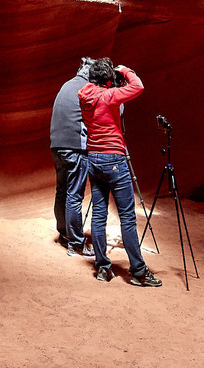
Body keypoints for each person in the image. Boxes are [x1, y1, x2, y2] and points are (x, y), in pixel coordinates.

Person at [78, 59, 161, 287]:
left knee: (98, 215)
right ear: (107, 80)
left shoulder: (84, 94)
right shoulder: (108, 96)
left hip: (93, 158)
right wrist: (124, 70)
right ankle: (138, 272)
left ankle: (103, 268)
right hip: (114, 159)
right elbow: (138, 86)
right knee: (127, 217)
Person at [50, 59, 94, 253]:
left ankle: (63, 233)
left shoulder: (67, 84)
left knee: (62, 190)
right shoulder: (87, 88)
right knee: (74, 195)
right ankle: (76, 244)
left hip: (56, 146)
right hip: (74, 148)